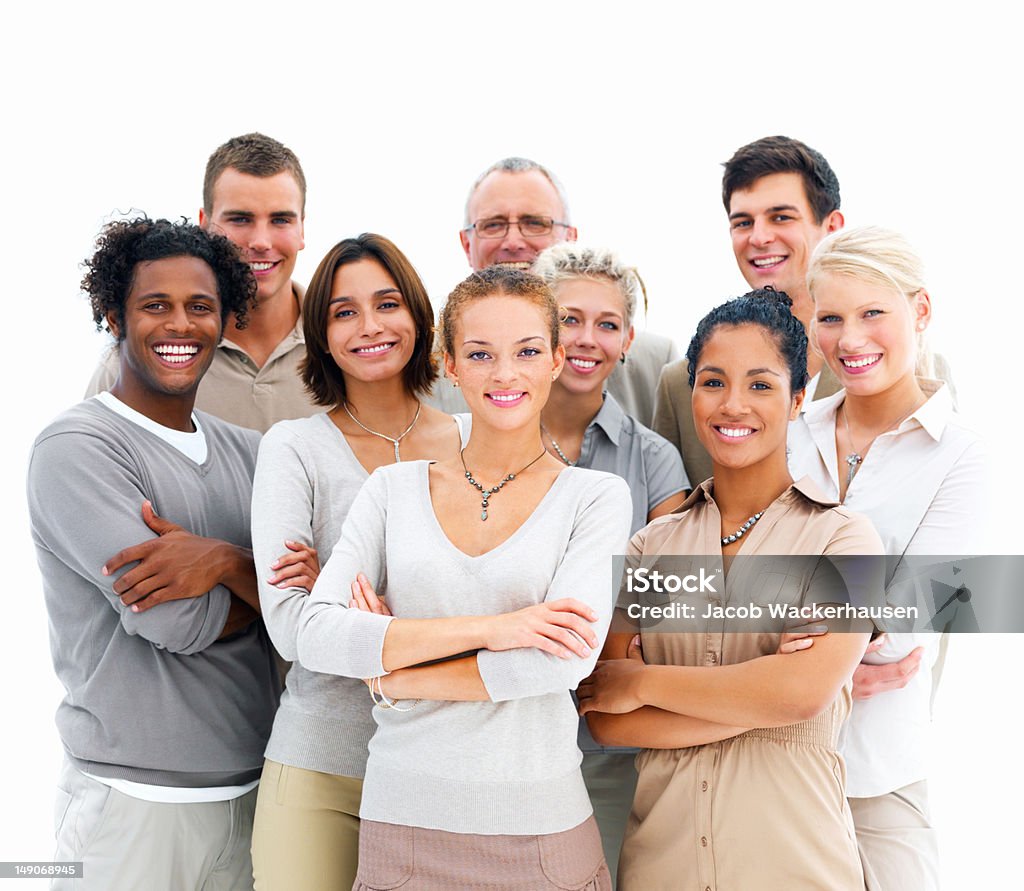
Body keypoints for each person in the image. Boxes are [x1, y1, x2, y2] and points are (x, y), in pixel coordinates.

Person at [295, 265, 633, 890]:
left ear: (557, 359)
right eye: (480, 354)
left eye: (527, 351)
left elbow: (562, 661)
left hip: (540, 828)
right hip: (403, 824)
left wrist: (393, 671)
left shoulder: (594, 498)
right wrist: (500, 628)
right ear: (449, 364)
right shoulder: (393, 490)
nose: (505, 374)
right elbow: (316, 635)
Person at [579, 291, 881, 891]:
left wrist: (641, 682)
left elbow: (799, 694)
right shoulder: (648, 548)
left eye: (761, 385)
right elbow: (608, 721)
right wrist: (755, 697)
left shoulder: (845, 540)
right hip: (662, 872)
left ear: (799, 399)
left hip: (798, 869)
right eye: (712, 382)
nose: (733, 404)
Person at [28, 218, 280, 890]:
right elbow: (174, 621)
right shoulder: (77, 448)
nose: (180, 324)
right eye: (154, 305)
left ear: (226, 320)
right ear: (114, 315)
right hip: (129, 808)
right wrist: (266, 592)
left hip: (253, 796)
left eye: (200, 307)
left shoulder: (252, 454)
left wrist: (225, 563)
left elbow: (309, 605)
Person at [248, 233, 467, 890]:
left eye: (387, 303)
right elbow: (293, 630)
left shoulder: (472, 439)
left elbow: (507, 604)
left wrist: (338, 595)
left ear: (419, 317)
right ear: (320, 334)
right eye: (344, 311)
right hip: (320, 769)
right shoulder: (293, 449)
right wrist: (432, 620)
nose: (369, 326)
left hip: (448, 771)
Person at [788, 226, 987, 891]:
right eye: (832, 317)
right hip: (771, 765)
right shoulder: (788, 435)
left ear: (920, 311)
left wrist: (785, 630)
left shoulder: (963, 456)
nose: (851, 337)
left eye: (874, 312)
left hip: (879, 778)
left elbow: (911, 617)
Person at [652, 135, 958, 486]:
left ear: (831, 226)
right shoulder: (681, 384)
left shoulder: (911, 369)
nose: (759, 237)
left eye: (781, 217)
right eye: (743, 223)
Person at [532, 243, 688, 881]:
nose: (586, 339)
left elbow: (668, 605)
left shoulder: (655, 463)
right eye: (569, 319)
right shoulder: (471, 444)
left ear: (627, 341)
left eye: (607, 324)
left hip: (604, 748)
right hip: (484, 737)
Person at [86, 132, 320, 432]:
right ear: (204, 224)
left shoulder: (344, 345)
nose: (261, 241)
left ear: (302, 227)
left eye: (280, 220)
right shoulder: (133, 364)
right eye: (240, 219)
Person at [429, 157, 679, 426]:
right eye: (493, 225)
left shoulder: (653, 362)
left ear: (570, 239)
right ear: (467, 244)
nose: (513, 242)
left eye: (535, 223)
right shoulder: (422, 356)